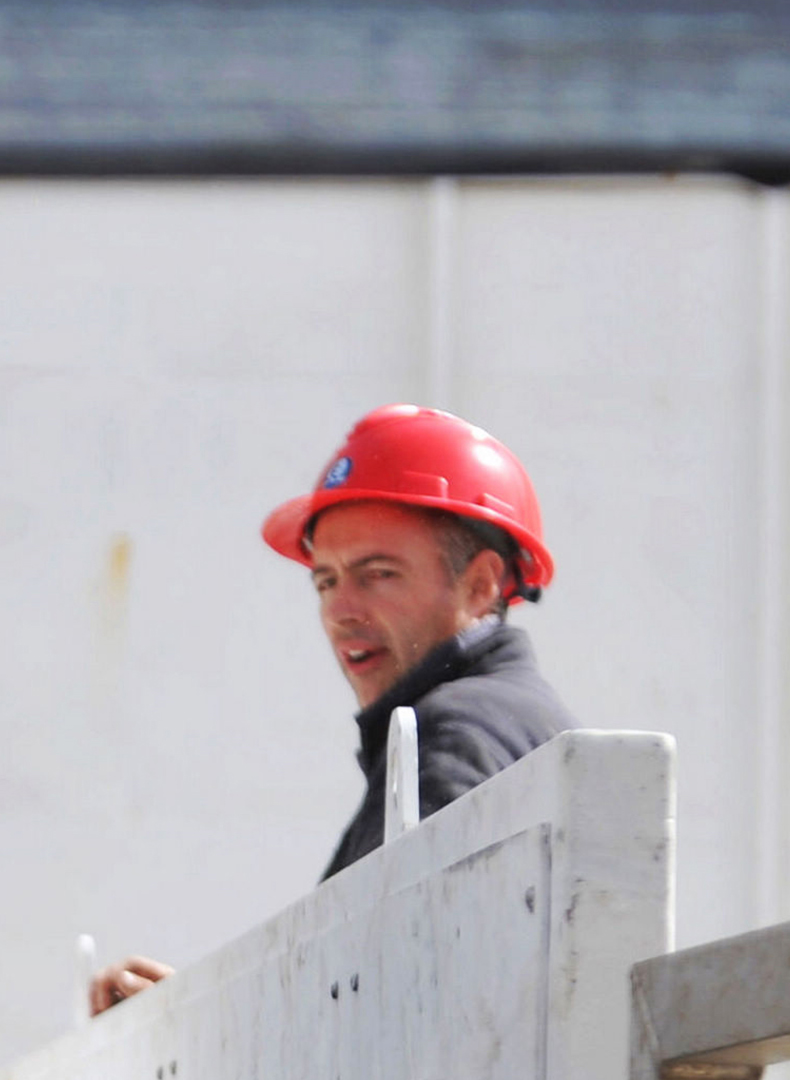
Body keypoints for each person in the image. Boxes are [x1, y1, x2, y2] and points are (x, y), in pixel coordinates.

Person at [89, 405, 575, 1015]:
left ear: (479, 586)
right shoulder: (507, 719)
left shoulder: (459, 730)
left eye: (378, 574)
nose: (340, 609)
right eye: (325, 581)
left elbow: (386, 1005)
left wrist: (201, 1027)